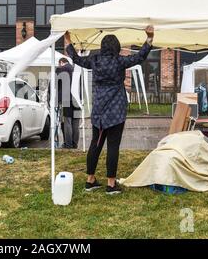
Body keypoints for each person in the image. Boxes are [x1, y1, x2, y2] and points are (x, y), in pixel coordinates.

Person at [64, 25, 154, 195]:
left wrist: (68, 42)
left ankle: (90, 180)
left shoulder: (94, 60)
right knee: (113, 146)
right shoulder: (120, 61)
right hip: (117, 111)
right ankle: (111, 184)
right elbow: (140, 57)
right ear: (116, 47)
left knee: (95, 144)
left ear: (103, 46)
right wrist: (149, 38)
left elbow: (76, 59)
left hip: (98, 109)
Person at [48, 58, 81, 148]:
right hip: (77, 99)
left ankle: (68, 144)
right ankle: (74, 144)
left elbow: (54, 83)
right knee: (75, 123)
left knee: (67, 122)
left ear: (61, 62)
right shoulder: (76, 69)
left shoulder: (61, 69)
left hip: (66, 98)